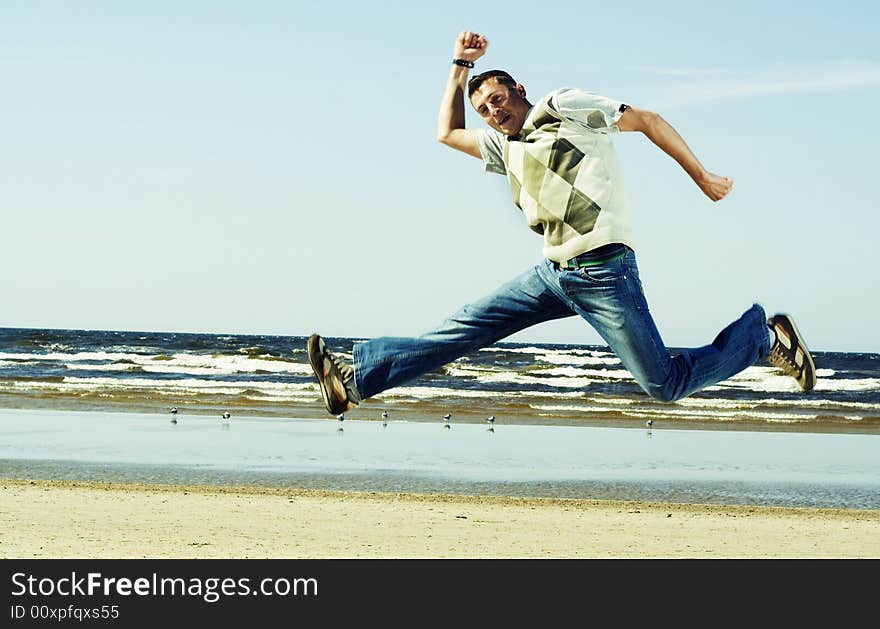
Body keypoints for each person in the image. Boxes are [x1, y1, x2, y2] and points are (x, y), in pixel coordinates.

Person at [307, 31, 816, 416]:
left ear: (518, 90)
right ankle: (355, 380)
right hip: (553, 273)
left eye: (499, 100)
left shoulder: (561, 107)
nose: (493, 112)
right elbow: (446, 132)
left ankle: (760, 337)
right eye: (484, 109)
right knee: (462, 329)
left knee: (663, 385)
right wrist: (460, 68)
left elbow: (648, 121)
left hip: (605, 271)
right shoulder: (500, 145)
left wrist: (701, 174)